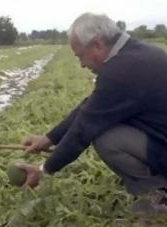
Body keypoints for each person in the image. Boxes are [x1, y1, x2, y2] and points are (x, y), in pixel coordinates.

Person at [17, 13, 167, 212]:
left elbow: (84, 128)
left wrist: (44, 170)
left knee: (106, 137)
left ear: (97, 44)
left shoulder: (122, 70)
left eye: (80, 55)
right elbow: (90, 106)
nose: (81, 64)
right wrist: (49, 139)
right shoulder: (140, 54)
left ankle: (157, 195)